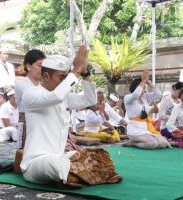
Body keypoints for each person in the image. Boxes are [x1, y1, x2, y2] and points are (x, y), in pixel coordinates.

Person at [20, 46, 122, 186]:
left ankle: (74, 176)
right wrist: (75, 71)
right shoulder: (31, 94)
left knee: (96, 157)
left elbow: (90, 100)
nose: (65, 82)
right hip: (37, 162)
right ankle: (83, 175)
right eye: (62, 78)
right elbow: (55, 96)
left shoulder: (65, 97)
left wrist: (85, 74)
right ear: (46, 76)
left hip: (61, 156)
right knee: (55, 165)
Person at [123, 69, 170, 149]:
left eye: (144, 87)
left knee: (164, 143)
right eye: (142, 87)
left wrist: (148, 82)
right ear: (135, 87)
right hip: (134, 131)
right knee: (152, 144)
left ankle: (138, 142)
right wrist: (143, 81)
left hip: (145, 129)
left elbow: (159, 94)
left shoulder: (145, 97)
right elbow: (136, 94)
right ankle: (133, 143)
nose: (143, 89)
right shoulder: (128, 97)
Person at [14, 49, 46, 148]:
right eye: (40, 66)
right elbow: (38, 99)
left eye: (44, 67)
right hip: (27, 127)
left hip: (42, 126)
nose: (43, 69)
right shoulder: (22, 84)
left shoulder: (43, 85)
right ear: (28, 66)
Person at [0, 46, 16, 123]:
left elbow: (13, 77)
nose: (6, 55)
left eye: (7, 54)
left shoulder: (10, 66)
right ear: (0, 54)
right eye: (4, 53)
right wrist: (3, 86)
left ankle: (5, 124)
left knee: (8, 109)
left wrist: (11, 86)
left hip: (10, 91)